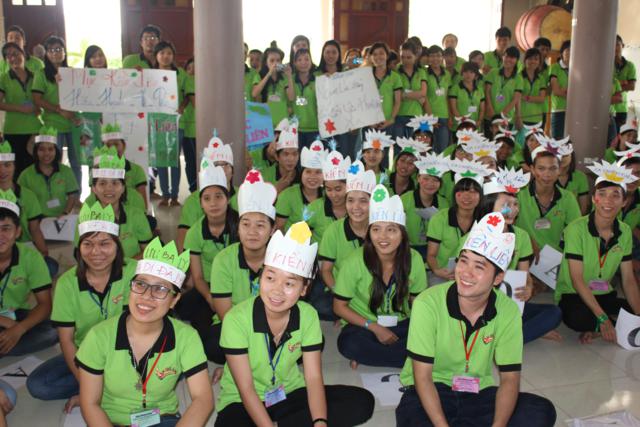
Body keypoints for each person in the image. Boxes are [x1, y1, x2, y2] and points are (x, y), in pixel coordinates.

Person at [395, 212, 557, 427]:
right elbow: (422, 377)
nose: (466, 273)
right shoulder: (427, 303)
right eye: (463, 261)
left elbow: (510, 378)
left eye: (479, 267)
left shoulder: (508, 310)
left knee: (540, 411)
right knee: (414, 418)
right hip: (432, 388)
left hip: (477, 390)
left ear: (498, 278)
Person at [215, 221, 374, 426]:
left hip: (288, 392)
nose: (277, 290)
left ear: (304, 289)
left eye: (289, 283)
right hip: (242, 400)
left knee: (361, 402)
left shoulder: (308, 315)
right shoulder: (236, 319)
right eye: (270, 277)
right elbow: (246, 389)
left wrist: (319, 421)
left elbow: (313, 378)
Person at [76, 238, 214, 426]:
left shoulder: (186, 337)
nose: (147, 296)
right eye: (141, 284)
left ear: (174, 300)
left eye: (160, 289)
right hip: (112, 420)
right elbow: (90, 403)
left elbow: (203, 399)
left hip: (161, 417)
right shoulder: (99, 336)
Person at [27, 202, 137, 410]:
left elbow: (142, 329)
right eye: (88, 244)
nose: (96, 252)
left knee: (171, 366)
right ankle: (108, 387)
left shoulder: (134, 272)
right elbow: (67, 340)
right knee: (39, 385)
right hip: (86, 353)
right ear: (79, 248)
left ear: (117, 245)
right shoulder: (67, 283)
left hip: (129, 351)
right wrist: (88, 390)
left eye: (105, 243)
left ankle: (111, 387)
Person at [333, 185, 428, 369]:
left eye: (391, 230)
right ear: (369, 233)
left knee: (432, 336)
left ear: (402, 234)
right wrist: (375, 327)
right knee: (349, 344)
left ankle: (374, 356)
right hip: (366, 325)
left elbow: (418, 302)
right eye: (376, 229)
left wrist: (424, 330)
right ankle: (408, 359)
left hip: (402, 323)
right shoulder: (354, 261)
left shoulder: (414, 258)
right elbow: (339, 306)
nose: (382, 237)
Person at [556, 160, 640, 344]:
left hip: (604, 293)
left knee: (633, 308)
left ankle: (599, 328)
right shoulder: (575, 229)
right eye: (602, 194)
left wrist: (638, 315)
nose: (608, 201)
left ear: (624, 202)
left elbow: (628, 279)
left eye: (615, 195)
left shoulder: (625, 231)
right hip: (574, 293)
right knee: (576, 318)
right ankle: (606, 325)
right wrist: (603, 318)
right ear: (594, 199)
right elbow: (577, 279)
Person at [479, 169, 562, 343]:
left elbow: (525, 275)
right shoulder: (475, 235)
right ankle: (516, 335)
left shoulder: (521, 236)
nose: (512, 210)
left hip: (508, 301)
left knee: (554, 313)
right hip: (480, 303)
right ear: (489, 207)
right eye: (505, 204)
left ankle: (505, 339)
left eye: (515, 204)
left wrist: (529, 287)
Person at [207, 169, 277, 364]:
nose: (252, 232)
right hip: (235, 323)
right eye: (245, 224)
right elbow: (225, 314)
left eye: (260, 225)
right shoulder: (223, 260)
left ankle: (244, 359)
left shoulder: (280, 258)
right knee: (212, 344)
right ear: (238, 228)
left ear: (272, 230)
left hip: (273, 322)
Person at [183, 160, 239, 352]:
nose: (213, 203)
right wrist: (210, 298)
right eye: (207, 198)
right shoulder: (194, 233)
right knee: (190, 313)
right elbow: (197, 277)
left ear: (228, 199)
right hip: (208, 286)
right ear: (201, 203)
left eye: (218, 196)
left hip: (236, 285)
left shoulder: (241, 226)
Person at [0, 189, 57, 357]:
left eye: (6, 228)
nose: (0, 235)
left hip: (16, 314)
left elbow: (45, 304)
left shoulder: (31, 257)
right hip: (8, 320)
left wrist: (19, 328)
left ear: (18, 232)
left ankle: (6, 343)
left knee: (53, 331)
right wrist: (5, 322)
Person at [318, 160, 375, 302]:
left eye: (363, 201)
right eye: (350, 200)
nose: (356, 207)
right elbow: (326, 271)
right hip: (340, 290)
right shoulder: (333, 230)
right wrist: (340, 295)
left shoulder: (380, 230)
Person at [427, 160, 490, 285]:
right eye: (461, 191)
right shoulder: (440, 218)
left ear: (481, 196)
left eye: (473, 191)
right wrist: (437, 270)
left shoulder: (486, 221)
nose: (467, 196)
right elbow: (431, 255)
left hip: (474, 275)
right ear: (455, 195)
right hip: (444, 273)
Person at [85, 147, 153, 259]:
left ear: (123, 188)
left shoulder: (136, 215)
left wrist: (123, 266)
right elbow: (81, 254)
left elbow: (148, 251)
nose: (109, 189)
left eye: (115, 183)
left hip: (131, 268)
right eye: (102, 183)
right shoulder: (86, 217)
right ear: (94, 189)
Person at [32, 36, 82, 186]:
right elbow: (37, 99)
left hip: (74, 123)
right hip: (53, 125)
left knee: (76, 162)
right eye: (52, 50)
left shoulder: (73, 72)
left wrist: (77, 115)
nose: (56, 53)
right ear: (46, 54)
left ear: (65, 52)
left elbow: (83, 95)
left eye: (59, 49)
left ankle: (76, 194)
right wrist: (59, 110)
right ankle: (57, 193)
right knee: (54, 162)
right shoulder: (41, 74)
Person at [516, 137, 581, 253]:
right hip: (523, 254)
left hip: (556, 258)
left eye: (553, 168)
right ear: (532, 170)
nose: (547, 174)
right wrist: (528, 241)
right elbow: (507, 227)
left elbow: (576, 231)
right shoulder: (518, 195)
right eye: (541, 168)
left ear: (559, 170)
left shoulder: (568, 198)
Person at [177, 135, 238, 250]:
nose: (221, 169)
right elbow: (182, 240)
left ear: (233, 170)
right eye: (216, 165)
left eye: (226, 164)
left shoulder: (242, 194)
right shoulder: (192, 201)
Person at [0, 141, 50, 263]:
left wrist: (44, 253)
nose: (2, 170)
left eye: (7, 165)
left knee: (50, 266)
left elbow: (35, 229)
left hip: (23, 247)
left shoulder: (28, 196)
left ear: (14, 166)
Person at [17, 126, 79, 218]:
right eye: (41, 149)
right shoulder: (25, 175)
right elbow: (21, 200)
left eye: (50, 149)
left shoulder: (66, 171)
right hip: (36, 220)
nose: (46, 153)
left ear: (56, 151)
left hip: (61, 219)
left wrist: (65, 213)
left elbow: (72, 196)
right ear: (36, 151)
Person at [153, 41, 187, 207]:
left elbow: (187, 94)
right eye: (162, 53)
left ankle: (174, 195)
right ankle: (165, 194)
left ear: (173, 56)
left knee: (174, 159)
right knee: (161, 159)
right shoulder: (151, 74)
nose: (165, 56)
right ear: (156, 56)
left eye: (169, 53)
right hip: (157, 122)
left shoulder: (180, 73)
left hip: (176, 122)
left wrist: (182, 107)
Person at [0, 42, 42, 175]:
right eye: (8, 56)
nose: (13, 58)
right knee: (16, 172)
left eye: (15, 54)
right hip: (13, 131)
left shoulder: (36, 77)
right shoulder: (3, 79)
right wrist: (20, 108)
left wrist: (39, 107)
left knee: (35, 171)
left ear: (23, 54)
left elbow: (44, 99)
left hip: (35, 129)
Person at [401, 153, 450, 258]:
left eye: (435, 180)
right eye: (426, 179)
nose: (430, 184)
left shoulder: (444, 204)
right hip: (407, 247)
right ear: (418, 178)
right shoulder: (404, 199)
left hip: (434, 248)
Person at [275, 140, 325, 232]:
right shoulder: (287, 195)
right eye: (308, 171)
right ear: (301, 173)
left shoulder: (328, 195)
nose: (312, 176)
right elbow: (279, 227)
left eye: (318, 172)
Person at [306, 150, 349, 243]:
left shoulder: (355, 210)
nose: (333, 195)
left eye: (338, 189)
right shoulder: (314, 208)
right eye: (328, 189)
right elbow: (302, 237)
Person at [252, 44, 293, 127]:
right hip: (265, 121)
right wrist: (269, 73)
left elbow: (291, 97)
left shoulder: (284, 77)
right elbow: (254, 94)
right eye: (272, 60)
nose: (275, 63)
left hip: (282, 122)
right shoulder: (259, 75)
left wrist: (289, 76)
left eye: (278, 60)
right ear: (266, 62)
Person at [484, 47, 523, 129]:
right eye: (506, 56)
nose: (508, 59)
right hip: (490, 115)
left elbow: (515, 99)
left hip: (506, 118)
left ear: (517, 60)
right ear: (503, 57)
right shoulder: (493, 72)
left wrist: (502, 114)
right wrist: (490, 109)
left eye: (512, 57)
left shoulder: (518, 78)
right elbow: (487, 92)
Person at [287, 48, 318, 148]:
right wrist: (289, 76)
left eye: (306, 59)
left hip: (315, 129)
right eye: (299, 60)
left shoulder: (318, 80)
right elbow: (291, 97)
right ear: (294, 63)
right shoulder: (290, 79)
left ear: (311, 61)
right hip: (296, 129)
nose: (303, 62)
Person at [370, 42, 402, 138]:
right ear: (371, 57)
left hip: (387, 122)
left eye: (381, 53)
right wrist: (368, 122)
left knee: (386, 148)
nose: (378, 57)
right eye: (374, 54)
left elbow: (397, 101)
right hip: (370, 123)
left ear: (387, 56)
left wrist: (391, 119)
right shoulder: (366, 76)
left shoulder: (395, 77)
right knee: (367, 148)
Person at [396, 40, 427, 138]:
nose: (405, 60)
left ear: (416, 56)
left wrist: (404, 95)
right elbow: (396, 95)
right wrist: (416, 96)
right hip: (399, 114)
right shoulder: (396, 71)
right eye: (402, 57)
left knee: (414, 144)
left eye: (409, 57)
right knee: (398, 145)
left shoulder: (421, 72)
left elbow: (423, 92)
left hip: (416, 115)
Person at [424, 45, 452, 153]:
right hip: (427, 117)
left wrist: (450, 116)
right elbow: (424, 96)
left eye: (438, 55)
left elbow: (447, 97)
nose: (435, 58)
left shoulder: (447, 74)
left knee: (442, 149)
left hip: (443, 116)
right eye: (432, 56)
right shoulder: (424, 73)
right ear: (428, 58)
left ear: (442, 57)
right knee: (426, 149)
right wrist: (430, 117)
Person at [261, 120, 300, 193]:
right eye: (286, 154)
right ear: (277, 156)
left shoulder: (303, 179)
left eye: (295, 154)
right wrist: (276, 190)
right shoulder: (263, 176)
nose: (291, 159)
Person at [448, 62, 485, 128]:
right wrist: (462, 121)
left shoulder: (480, 90)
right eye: (466, 72)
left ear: (476, 75)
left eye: (471, 72)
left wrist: (479, 121)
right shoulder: (455, 88)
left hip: (475, 126)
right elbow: (453, 108)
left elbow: (482, 109)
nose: (468, 74)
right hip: (460, 126)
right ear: (462, 73)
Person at [557, 148, 590, 215]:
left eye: (565, 155)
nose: (562, 158)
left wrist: (577, 220)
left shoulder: (580, 177)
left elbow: (583, 208)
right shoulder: (547, 176)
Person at [614, 35, 636, 130]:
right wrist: (622, 83)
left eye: (617, 44)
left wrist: (614, 86)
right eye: (612, 45)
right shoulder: (605, 64)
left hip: (622, 107)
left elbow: (632, 86)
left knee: (617, 134)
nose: (615, 48)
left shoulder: (630, 66)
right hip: (608, 106)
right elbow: (603, 85)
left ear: (622, 45)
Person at [520, 48, 547, 127]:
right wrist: (535, 98)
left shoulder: (541, 78)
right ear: (525, 60)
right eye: (530, 58)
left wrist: (525, 97)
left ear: (539, 62)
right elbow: (516, 97)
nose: (533, 61)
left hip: (537, 118)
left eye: (536, 59)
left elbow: (542, 99)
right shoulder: (518, 77)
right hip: (520, 117)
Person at [549, 40, 570, 139]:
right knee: (557, 141)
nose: (570, 53)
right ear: (562, 52)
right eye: (567, 50)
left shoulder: (576, 68)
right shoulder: (555, 67)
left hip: (573, 110)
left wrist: (565, 90)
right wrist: (572, 95)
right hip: (558, 110)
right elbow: (556, 91)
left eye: (573, 50)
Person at [182, 57, 197, 193]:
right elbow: (196, 103)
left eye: (195, 68)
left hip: (207, 129)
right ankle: (193, 190)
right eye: (189, 68)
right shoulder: (188, 81)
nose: (192, 71)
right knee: (191, 161)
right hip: (189, 129)